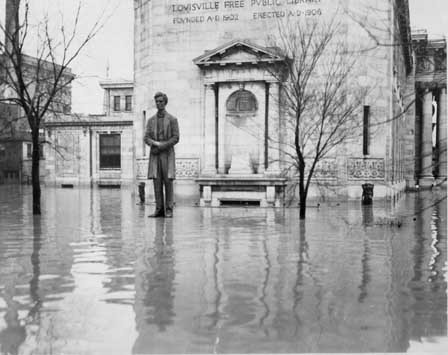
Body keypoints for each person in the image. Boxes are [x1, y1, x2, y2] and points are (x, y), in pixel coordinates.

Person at [144, 92, 180, 218]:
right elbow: (146, 137)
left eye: (161, 101)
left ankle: (169, 209)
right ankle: (159, 209)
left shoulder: (172, 119)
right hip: (155, 155)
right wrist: (153, 144)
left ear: (165, 102)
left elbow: (176, 138)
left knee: (168, 182)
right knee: (156, 182)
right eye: (157, 101)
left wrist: (162, 145)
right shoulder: (150, 120)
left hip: (167, 154)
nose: (158, 103)